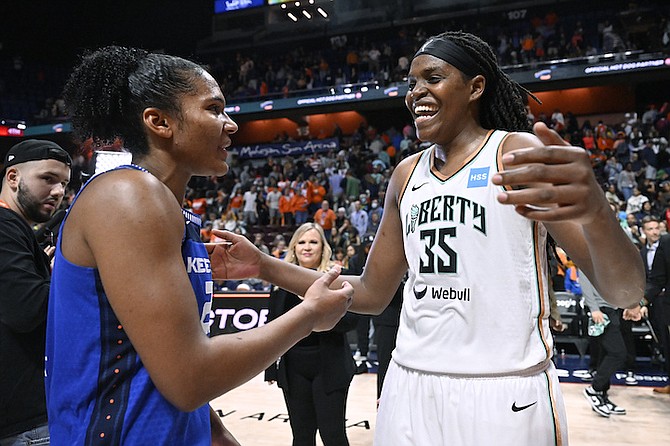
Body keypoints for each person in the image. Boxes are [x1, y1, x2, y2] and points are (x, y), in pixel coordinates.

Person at [214, 31, 644, 445]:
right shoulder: (406, 174)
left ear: (475, 87)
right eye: (412, 83)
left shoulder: (514, 152)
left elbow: (623, 291)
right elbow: (370, 294)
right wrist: (263, 266)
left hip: (504, 388)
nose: (415, 92)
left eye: (432, 78)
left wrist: (598, 213)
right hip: (410, 381)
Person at [45, 46, 353, 445]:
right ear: (159, 122)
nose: (231, 125)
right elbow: (188, 377)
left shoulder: (170, 210)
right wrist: (308, 315)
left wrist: (215, 431)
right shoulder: (128, 194)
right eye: (214, 109)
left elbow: (153, 357)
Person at [0, 140, 71, 445]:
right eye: (48, 178)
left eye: (64, 183)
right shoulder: (5, 227)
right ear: (13, 177)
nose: (58, 191)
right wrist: (63, 278)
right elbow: (27, 310)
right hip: (24, 424)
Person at [264, 223, 358, 446]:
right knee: (302, 437)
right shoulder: (280, 284)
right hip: (294, 369)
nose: (307, 247)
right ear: (294, 247)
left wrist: (317, 315)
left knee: (332, 435)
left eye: (313, 242)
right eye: (302, 242)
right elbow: (272, 326)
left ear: (323, 248)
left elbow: (353, 321)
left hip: (330, 367)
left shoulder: (337, 280)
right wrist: (269, 368)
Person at [580, 270, 627, 417]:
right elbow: (584, 278)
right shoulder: (590, 251)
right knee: (618, 353)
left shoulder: (607, 253)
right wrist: (594, 308)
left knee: (605, 353)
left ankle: (602, 396)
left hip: (612, 308)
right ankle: (594, 389)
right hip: (600, 310)